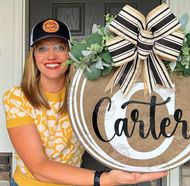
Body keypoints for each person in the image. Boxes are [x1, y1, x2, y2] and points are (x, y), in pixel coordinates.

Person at [2, 18, 167, 186]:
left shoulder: (84, 96)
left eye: (60, 47)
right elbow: (39, 167)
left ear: (70, 52)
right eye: (42, 48)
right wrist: (105, 179)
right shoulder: (16, 97)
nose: (51, 56)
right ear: (33, 56)